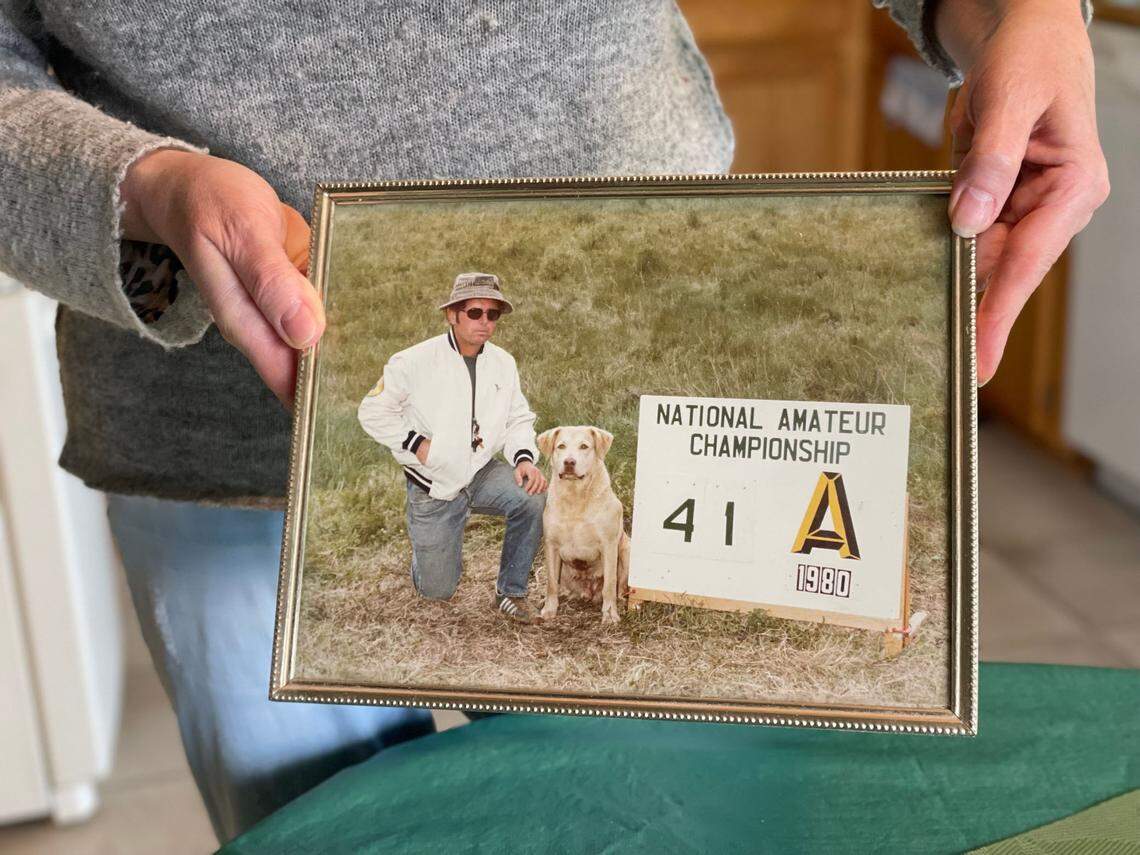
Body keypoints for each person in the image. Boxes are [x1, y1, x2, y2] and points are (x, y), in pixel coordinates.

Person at [0, 0, 1107, 844]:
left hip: (649, 356)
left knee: (676, 819)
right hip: (218, 436)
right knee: (335, 834)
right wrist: (146, 185)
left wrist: (1027, 10)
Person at [358, 273, 548, 622]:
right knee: (439, 591)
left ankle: (512, 591)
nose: (485, 323)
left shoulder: (503, 363)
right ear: (452, 315)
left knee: (533, 496)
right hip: (434, 484)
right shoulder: (412, 361)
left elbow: (518, 417)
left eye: (493, 315)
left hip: (480, 471)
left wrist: (523, 457)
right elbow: (372, 411)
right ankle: (430, 554)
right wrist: (417, 445)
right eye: (475, 313)